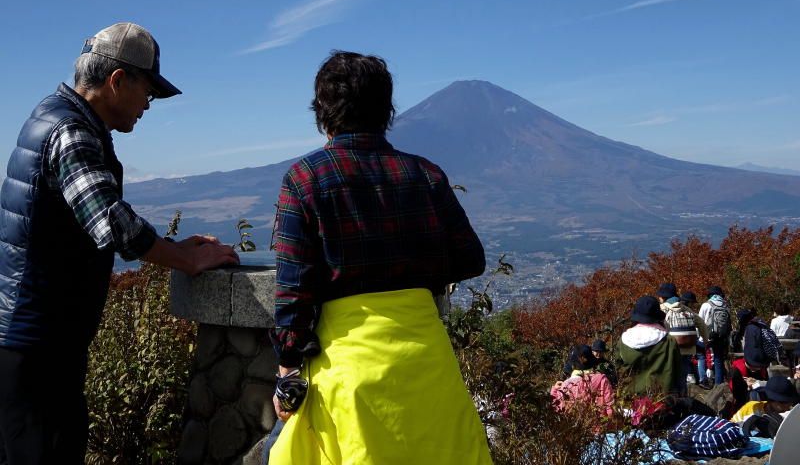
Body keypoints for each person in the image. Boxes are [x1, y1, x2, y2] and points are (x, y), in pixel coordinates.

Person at [0, 23, 240, 465]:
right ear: (117, 81)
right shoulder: (71, 132)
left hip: (32, 340)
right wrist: (186, 260)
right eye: (148, 91)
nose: (148, 104)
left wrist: (175, 247)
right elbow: (113, 225)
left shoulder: (53, 116)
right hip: (37, 344)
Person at [267, 51, 491, 464]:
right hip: (429, 365)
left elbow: (293, 290)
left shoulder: (304, 179)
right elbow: (470, 258)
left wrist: (288, 371)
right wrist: (413, 271)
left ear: (322, 112)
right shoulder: (425, 174)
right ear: (387, 110)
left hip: (349, 372)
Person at [619, 295, 683, 396]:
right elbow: (678, 371)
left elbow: (618, 369)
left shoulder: (624, 340)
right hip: (662, 398)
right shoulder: (669, 341)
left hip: (630, 398)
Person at [659, 284, 708, 392]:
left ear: (663, 297)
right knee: (683, 375)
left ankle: (673, 398)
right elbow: (702, 324)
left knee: (671, 376)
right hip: (688, 347)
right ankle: (684, 397)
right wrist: (705, 341)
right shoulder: (686, 309)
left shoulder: (662, 309)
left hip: (671, 349)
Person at [550, 344, 614, 418]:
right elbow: (610, 405)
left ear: (573, 365)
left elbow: (557, 407)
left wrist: (555, 390)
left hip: (576, 424)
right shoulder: (602, 379)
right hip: (599, 422)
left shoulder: (565, 385)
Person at [731, 375, 799, 424]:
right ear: (771, 400)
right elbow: (731, 425)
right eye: (784, 402)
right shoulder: (751, 408)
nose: (789, 406)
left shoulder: (792, 415)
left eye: (791, 402)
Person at [699, 285, 732, 385]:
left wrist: (700, 337)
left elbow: (700, 321)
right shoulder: (726, 305)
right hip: (721, 337)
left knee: (701, 355)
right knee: (718, 360)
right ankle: (718, 385)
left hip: (708, 337)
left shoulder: (706, 305)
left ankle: (703, 379)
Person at [680, 291, 712, 387]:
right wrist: (705, 340)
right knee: (700, 356)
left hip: (678, 340)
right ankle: (702, 379)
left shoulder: (674, 311)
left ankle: (690, 376)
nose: (693, 305)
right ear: (689, 302)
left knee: (687, 358)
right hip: (691, 339)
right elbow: (702, 325)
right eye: (692, 303)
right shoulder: (690, 313)